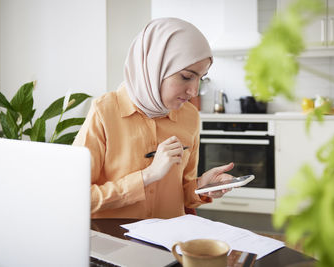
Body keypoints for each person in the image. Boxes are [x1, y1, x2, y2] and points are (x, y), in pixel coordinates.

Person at [73, 17, 235, 219]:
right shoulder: (104, 111)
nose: (194, 91)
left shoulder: (190, 116)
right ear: (153, 67)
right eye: (186, 76)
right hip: (115, 239)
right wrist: (148, 176)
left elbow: (184, 193)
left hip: (169, 241)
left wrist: (202, 186)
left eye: (199, 78)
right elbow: (75, 196)